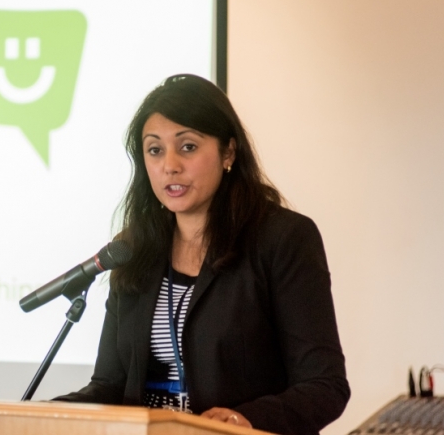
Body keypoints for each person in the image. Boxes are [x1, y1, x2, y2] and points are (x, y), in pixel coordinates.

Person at [54, 75, 349, 435]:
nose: (170, 165)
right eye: (155, 150)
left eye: (188, 147)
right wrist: (44, 415)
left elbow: (325, 386)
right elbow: (110, 387)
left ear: (228, 152)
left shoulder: (282, 239)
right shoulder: (133, 248)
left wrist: (245, 420)